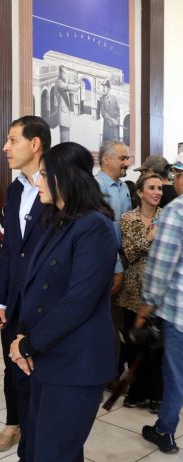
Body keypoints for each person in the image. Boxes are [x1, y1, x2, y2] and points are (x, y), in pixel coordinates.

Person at [10, 141, 117, 462]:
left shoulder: (94, 226)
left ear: (66, 176)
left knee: (55, 452)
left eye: (44, 174)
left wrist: (28, 344)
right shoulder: (57, 220)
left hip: (76, 362)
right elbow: (35, 288)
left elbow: (78, 301)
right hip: (48, 354)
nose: (38, 180)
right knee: (36, 447)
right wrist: (22, 335)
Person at [0, 116, 51, 458]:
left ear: (35, 143)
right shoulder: (15, 190)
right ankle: (15, 423)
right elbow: (9, 250)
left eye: (13, 140)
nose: (5, 147)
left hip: (45, 305)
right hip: (14, 302)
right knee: (13, 367)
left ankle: (38, 435)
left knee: (40, 373)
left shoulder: (59, 189)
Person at [138, 154, 183, 454]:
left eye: (176, 175)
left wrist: (147, 304)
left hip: (179, 312)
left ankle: (164, 431)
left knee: (176, 375)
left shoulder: (176, 211)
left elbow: (161, 264)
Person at [114, 173, 163, 411]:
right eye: (151, 188)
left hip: (159, 292)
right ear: (140, 192)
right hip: (133, 291)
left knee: (157, 347)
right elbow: (130, 253)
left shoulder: (168, 217)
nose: (157, 192)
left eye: (159, 188)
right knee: (134, 346)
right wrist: (150, 237)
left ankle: (156, 395)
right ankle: (136, 392)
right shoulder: (128, 218)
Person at [95, 140, 131, 376]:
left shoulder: (124, 187)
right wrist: (117, 267)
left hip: (123, 263)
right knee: (107, 322)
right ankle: (107, 374)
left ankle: (113, 369)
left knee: (118, 321)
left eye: (127, 158)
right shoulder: (95, 187)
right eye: (122, 158)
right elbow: (103, 233)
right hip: (105, 264)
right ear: (106, 159)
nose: (127, 163)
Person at [55, 65, 79, 142]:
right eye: (64, 73)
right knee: (64, 139)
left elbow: (69, 86)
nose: (66, 75)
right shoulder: (59, 83)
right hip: (63, 114)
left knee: (66, 138)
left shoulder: (62, 82)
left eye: (66, 73)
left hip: (65, 114)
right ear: (60, 73)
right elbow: (67, 87)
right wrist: (77, 86)